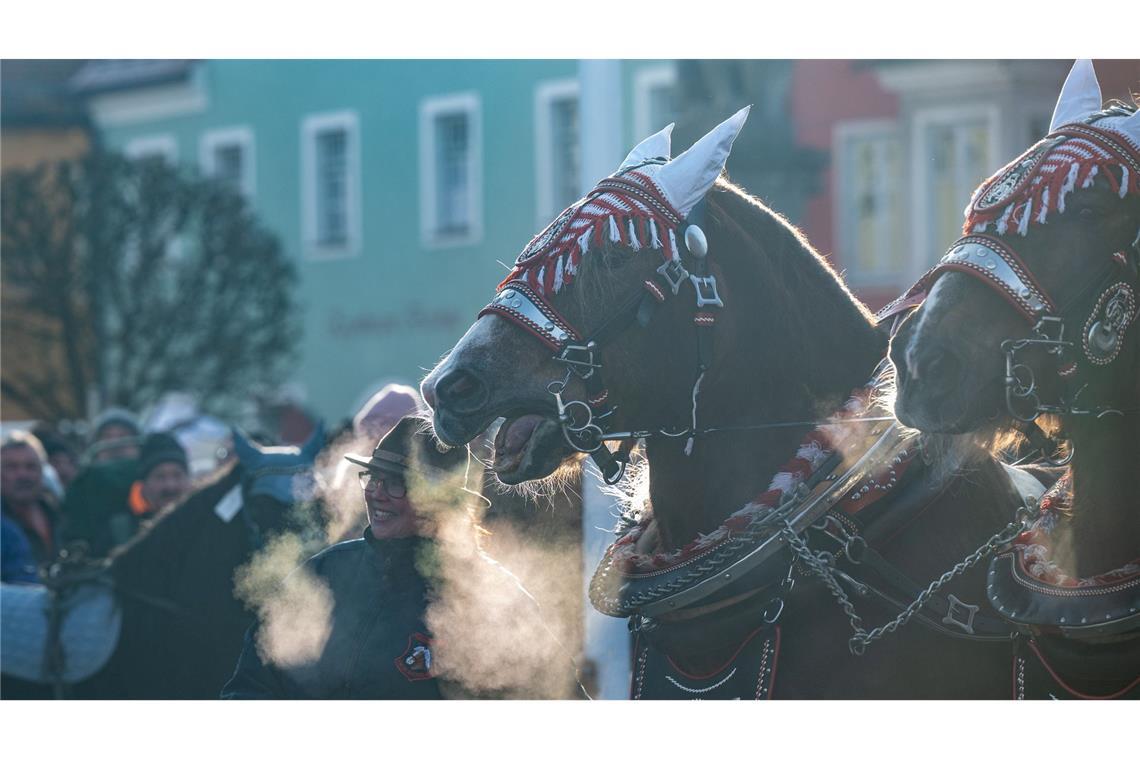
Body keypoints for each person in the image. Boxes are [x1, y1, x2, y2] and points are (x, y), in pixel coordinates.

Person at [222, 416, 581, 699]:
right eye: (372, 478)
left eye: (396, 483)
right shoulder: (323, 572)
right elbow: (251, 688)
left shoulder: (498, 600)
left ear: (441, 501)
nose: (377, 494)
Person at [1, 431, 61, 576]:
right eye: (11, 467)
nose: (23, 474)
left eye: (31, 466)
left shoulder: (60, 515)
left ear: (42, 471)